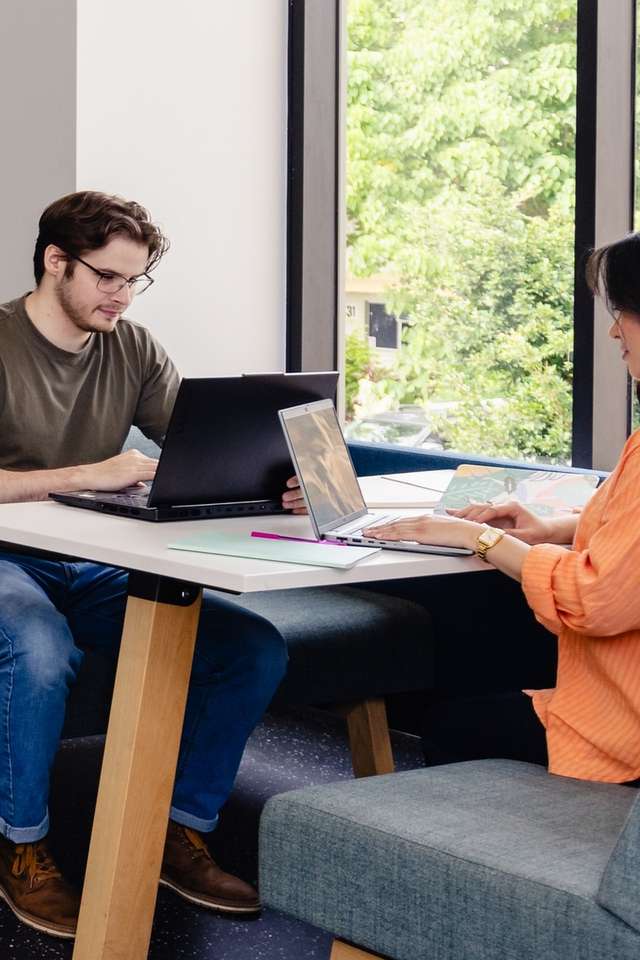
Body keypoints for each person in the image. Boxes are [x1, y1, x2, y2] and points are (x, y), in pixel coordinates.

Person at [0, 190, 305, 939]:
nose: (122, 295)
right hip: (10, 559)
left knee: (250, 649)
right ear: (55, 261)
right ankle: (22, 847)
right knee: (38, 652)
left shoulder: (132, 348)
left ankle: (176, 830)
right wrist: (82, 475)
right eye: (108, 277)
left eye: (135, 280)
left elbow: (201, 442)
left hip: (94, 561)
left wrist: (279, 477)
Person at [365, 233, 640, 787]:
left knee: (452, 720)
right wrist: (553, 530)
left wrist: (481, 541)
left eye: (622, 313)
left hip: (624, 730)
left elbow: (597, 599)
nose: (613, 331)